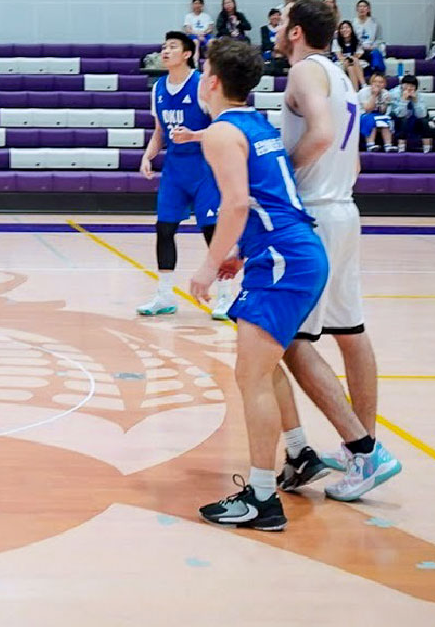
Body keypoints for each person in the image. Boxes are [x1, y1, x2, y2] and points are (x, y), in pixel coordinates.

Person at [182, 37, 331, 531]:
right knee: (262, 370)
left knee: (250, 376)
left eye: (205, 70)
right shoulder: (254, 124)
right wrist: (243, 254)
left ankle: (263, 500)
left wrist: (209, 263)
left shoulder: (222, 132)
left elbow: (239, 204)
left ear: (213, 80)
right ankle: (297, 453)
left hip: (286, 259)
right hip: (287, 253)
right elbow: (272, 199)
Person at [274, 0, 405, 502]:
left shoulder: (306, 71)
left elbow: (323, 136)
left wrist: (280, 173)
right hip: (344, 209)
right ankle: (361, 453)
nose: (279, 28)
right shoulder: (342, 75)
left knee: (288, 340)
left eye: (283, 21)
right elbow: (353, 163)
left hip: (315, 214)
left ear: (298, 31)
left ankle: (366, 451)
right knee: (351, 332)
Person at [138, 31, 219, 316]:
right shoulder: (158, 87)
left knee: (212, 231)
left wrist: (194, 135)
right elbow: (160, 132)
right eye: (164, 47)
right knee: (164, 229)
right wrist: (148, 156)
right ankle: (164, 296)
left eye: (173, 47)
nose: (166, 51)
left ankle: (224, 296)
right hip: (174, 170)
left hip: (204, 167)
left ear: (187, 54)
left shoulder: (201, 85)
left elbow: (222, 127)